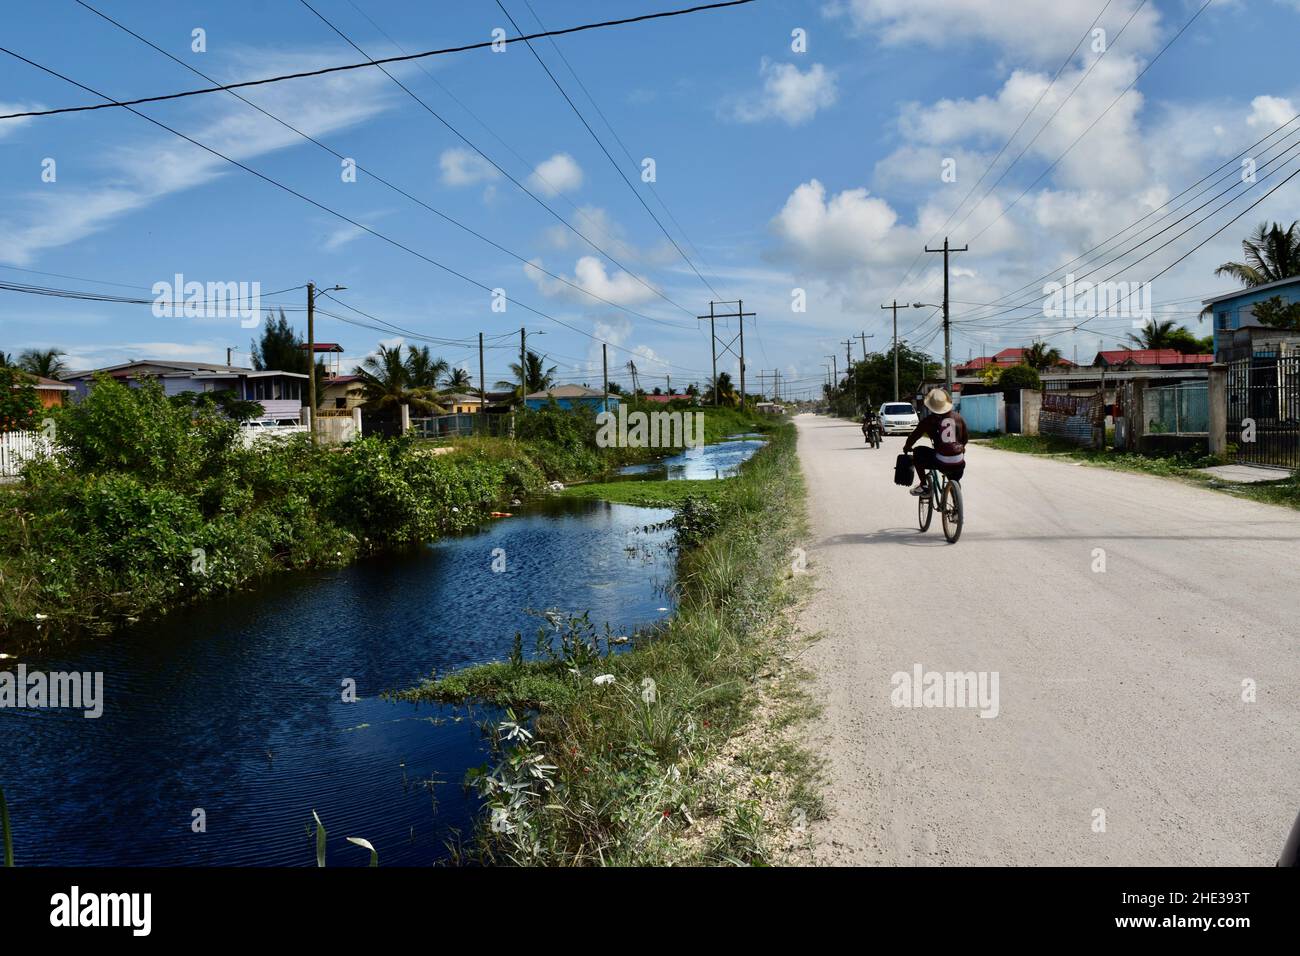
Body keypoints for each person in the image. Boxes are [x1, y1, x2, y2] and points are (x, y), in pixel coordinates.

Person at [903, 388, 967, 496]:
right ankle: (956, 502)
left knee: (918, 451)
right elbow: (965, 439)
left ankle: (923, 486)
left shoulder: (928, 421)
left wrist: (907, 447)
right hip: (959, 463)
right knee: (954, 476)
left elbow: (914, 436)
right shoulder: (958, 418)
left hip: (941, 462)